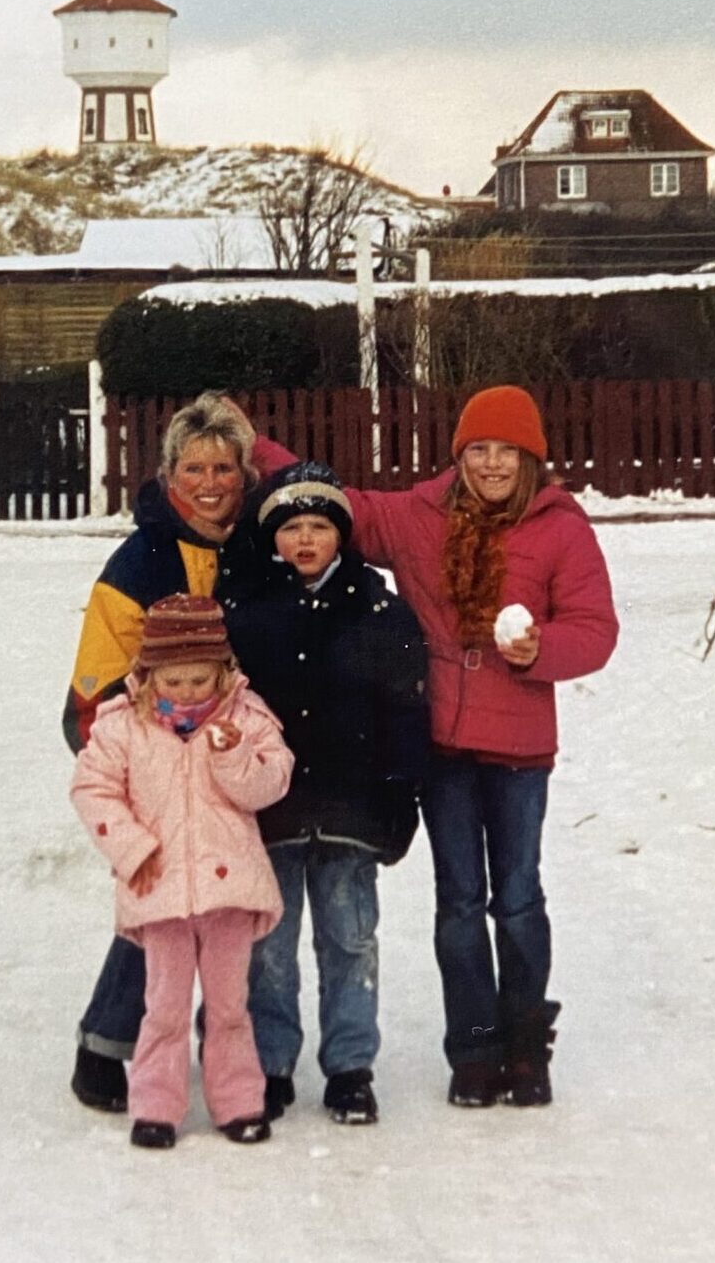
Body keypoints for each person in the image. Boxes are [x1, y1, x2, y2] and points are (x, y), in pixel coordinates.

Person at [252, 385, 618, 1108]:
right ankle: (474, 1050)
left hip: (519, 751)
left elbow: (596, 629)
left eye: (505, 451)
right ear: (460, 454)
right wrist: (252, 446)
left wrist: (540, 647)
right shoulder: (421, 517)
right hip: (445, 747)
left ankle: (524, 1045)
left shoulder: (561, 529)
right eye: (477, 449)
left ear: (530, 458)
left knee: (517, 899)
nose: (490, 464)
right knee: (458, 901)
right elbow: (333, 502)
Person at [61, 392, 271, 1113]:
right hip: (158, 762)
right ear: (167, 476)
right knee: (163, 915)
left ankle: (233, 1059)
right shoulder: (140, 560)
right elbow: (93, 688)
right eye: (192, 468)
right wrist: (137, 753)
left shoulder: (257, 543)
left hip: (237, 756)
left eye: (224, 467)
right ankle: (106, 1043)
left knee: (231, 917)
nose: (209, 483)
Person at [225, 461, 431, 1126]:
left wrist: (400, 801)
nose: (305, 540)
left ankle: (349, 1066)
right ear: (273, 538)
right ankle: (271, 1063)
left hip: (352, 809)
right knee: (269, 947)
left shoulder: (379, 611)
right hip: (273, 811)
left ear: (342, 534)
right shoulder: (250, 612)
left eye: (319, 526)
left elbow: (407, 713)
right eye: (291, 528)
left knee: (350, 937)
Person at [70, 595, 293, 1149]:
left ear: (223, 672)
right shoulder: (123, 725)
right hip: (160, 887)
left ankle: (239, 1101)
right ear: (149, 675)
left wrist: (234, 757)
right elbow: (91, 789)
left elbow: (271, 784)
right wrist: (131, 848)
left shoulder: (247, 718)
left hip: (230, 892)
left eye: (201, 679)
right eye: (176, 679)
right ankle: (156, 1105)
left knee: (229, 1005)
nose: (189, 692)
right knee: (163, 1006)